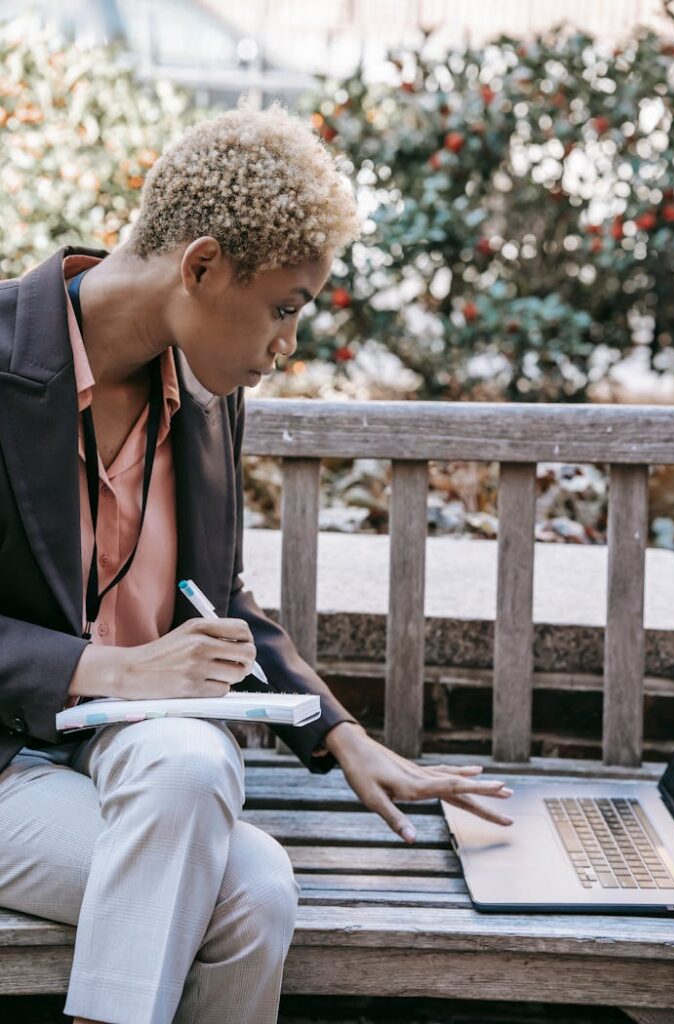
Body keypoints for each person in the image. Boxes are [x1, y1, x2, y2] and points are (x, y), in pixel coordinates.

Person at [0, 100, 512, 1024]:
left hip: (129, 763)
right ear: (199, 265)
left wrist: (338, 733)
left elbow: (216, 595)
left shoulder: (200, 395)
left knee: (202, 781)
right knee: (252, 886)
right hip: (9, 768)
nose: (288, 345)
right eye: (283, 308)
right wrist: (108, 666)